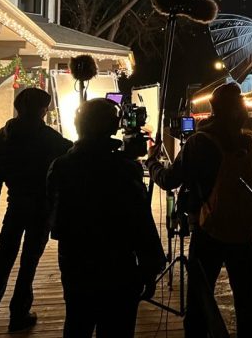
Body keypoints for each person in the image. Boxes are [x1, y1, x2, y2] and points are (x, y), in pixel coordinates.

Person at [147, 82, 252, 338]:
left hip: (207, 228)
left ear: (213, 109)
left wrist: (152, 163)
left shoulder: (200, 141)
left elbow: (170, 180)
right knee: (245, 298)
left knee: (200, 294)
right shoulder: (248, 143)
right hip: (242, 232)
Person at [47, 98, 165, 338]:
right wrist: (151, 265)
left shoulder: (61, 166)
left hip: (75, 262)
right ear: (112, 126)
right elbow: (140, 221)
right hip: (118, 265)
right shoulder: (124, 169)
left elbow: (55, 221)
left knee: (77, 324)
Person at [0, 87, 72, 333]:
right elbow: (69, 155)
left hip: (15, 203)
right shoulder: (49, 137)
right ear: (40, 110)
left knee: (3, 257)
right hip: (42, 205)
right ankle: (19, 313)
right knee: (29, 261)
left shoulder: (5, 135)